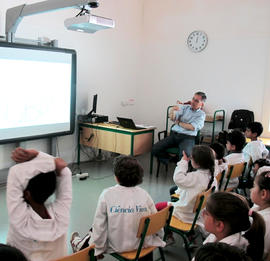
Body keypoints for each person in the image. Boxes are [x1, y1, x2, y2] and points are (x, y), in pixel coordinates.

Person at [70, 155, 165, 259]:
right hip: (142, 244)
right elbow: (156, 223)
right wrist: (159, 237)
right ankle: (79, 243)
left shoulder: (106, 195)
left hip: (117, 245)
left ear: (116, 176)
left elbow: (99, 227)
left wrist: (98, 249)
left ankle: (78, 244)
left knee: (96, 228)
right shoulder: (145, 195)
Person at [6, 147, 72, 261]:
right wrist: (39, 155)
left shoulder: (19, 220)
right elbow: (64, 169)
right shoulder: (61, 216)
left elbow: (14, 173)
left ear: (27, 194)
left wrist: (42, 159)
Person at [156, 145, 217, 225]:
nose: (190, 159)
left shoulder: (195, 178)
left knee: (157, 206)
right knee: (174, 191)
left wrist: (184, 161)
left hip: (185, 214)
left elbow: (177, 178)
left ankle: (167, 231)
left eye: (191, 158)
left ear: (197, 164)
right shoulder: (212, 178)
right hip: (196, 214)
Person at [203, 192, 265, 261]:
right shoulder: (220, 234)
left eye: (206, 213)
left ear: (219, 225)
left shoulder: (222, 256)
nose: (202, 214)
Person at [152, 91, 206, 162]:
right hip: (174, 135)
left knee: (185, 156)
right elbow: (173, 118)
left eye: (196, 101)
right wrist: (172, 110)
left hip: (187, 138)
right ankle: (170, 160)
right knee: (155, 149)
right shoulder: (185, 108)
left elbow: (192, 127)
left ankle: (180, 165)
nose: (193, 102)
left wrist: (179, 123)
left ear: (202, 104)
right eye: (193, 99)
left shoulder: (201, 114)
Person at [251, 171, 270, 260]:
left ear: (263, 194)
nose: (251, 189)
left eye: (254, 186)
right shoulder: (260, 210)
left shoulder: (260, 222)